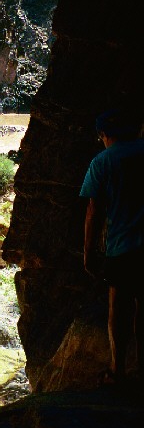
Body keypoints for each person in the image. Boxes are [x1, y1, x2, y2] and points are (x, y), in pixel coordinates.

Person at [80, 108, 144, 385]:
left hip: (122, 247)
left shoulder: (102, 162)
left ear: (104, 135)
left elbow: (94, 212)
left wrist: (88, 253)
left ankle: (117, 370)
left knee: (118, 309)